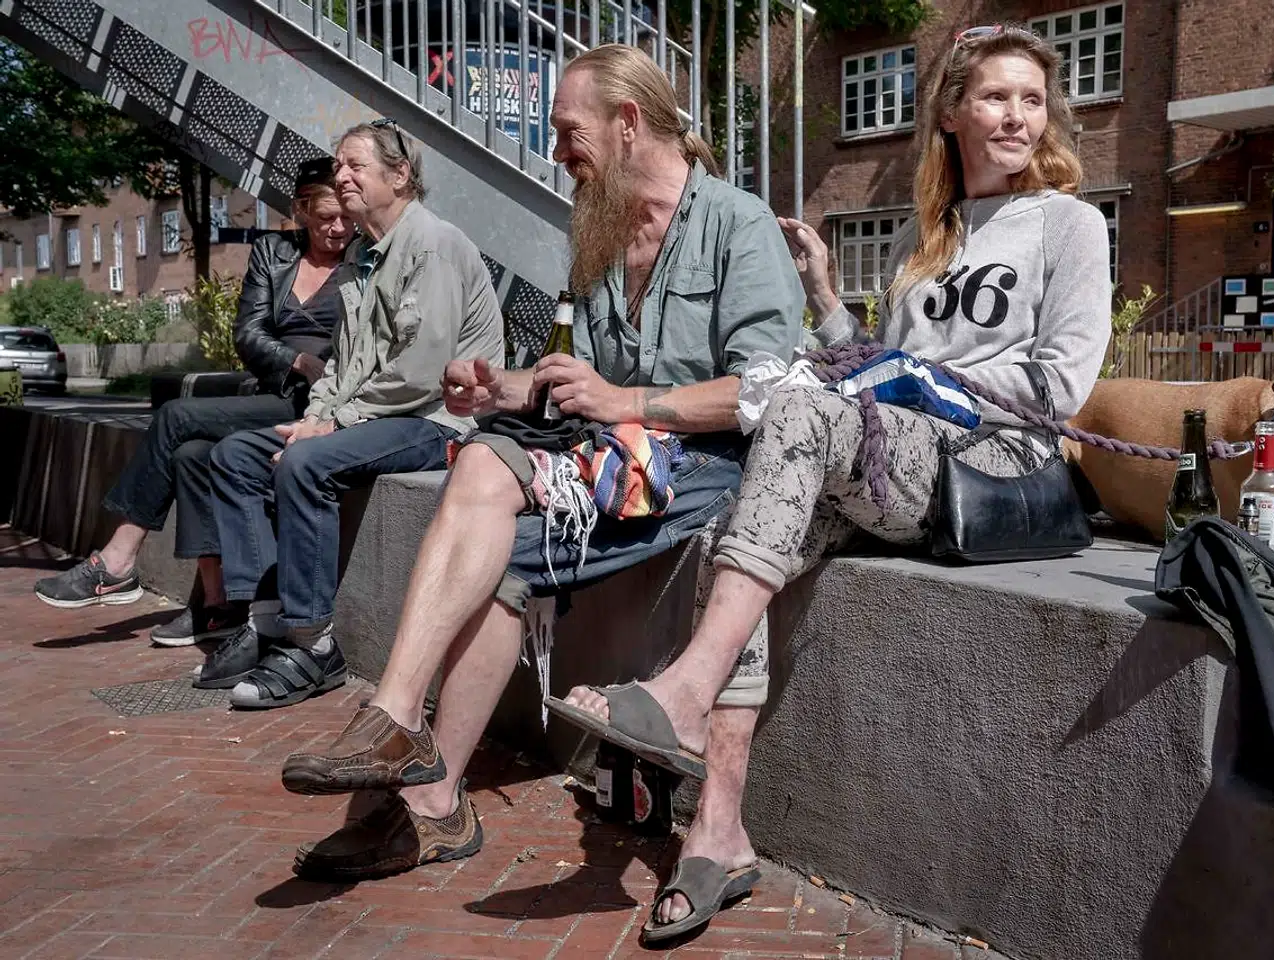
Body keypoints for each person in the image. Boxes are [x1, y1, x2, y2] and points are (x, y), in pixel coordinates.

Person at [553, 23, 1114, 940]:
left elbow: (1059, 385)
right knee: (732, 527)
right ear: (951, 113)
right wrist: (823, 301)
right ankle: (718, 831)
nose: (1017, 116)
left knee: (799, 416)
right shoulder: (927, 235)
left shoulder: (1071, 224)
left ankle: (685, 694)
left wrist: (922, 382)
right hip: (902, 458)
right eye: (995, 97)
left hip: (994, 465)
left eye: (1031, 99)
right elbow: (886, 360)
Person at [275, 44, 803, 904]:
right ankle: (409, 743)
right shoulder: (598, 229)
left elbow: (766, 392)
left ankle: (420, 773)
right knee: (485, 461)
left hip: (700, 465)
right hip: (606, 454)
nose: (558, 152)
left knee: (500, 528)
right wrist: (502, 386)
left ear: (628, 124)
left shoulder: (736, 224)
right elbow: (572, 385)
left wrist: (626, 398)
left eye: (568, 132)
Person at [200, 119, 504, 708]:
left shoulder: (431, 245)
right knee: (236, 455)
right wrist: (318, 412)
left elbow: (423, 371)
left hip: (437, 422)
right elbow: (342, 362)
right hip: (381, 414)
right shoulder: (366, 254)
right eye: (337, 165)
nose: (340, 175)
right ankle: (268, 619)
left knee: (305, 463)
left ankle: (315, 646)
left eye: (354, 165)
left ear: (400, 174)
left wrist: (332, 425)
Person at [34, 159, 355, 648]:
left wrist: (323, 370)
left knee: (176, 415)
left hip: (323, 405)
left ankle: (118, 559)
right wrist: (294, 360)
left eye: (345, 217)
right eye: (325, 217)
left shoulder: (365, 260)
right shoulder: (274, 251)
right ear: (301, 211)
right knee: (189, 454)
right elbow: (247, 332)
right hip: (276, 391)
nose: (337, 228)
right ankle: (217, 604)